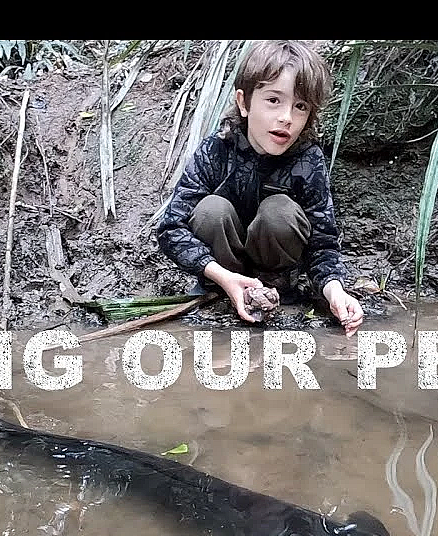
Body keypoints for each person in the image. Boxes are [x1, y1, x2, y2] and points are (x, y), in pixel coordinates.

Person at [156, 40, 364, 337]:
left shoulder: (308, 159)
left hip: (278, 281)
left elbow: (323, 243)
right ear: (244, 102)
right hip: (220, 279)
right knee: (211, 210)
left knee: (278, 211)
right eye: (273, 101)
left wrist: (335, 293)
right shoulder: (215, 150)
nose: (286, 118)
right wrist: (221, 276)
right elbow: (170, 229)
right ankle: (224, 291)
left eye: (300, 106)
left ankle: (272, 287)